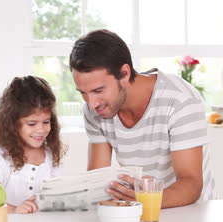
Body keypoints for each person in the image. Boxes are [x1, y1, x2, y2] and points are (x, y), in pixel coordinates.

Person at [69, 29, 215, 208]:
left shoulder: (179, 100)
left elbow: (191, 184)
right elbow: (97, 180)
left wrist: (145, 199)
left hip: (189, 216)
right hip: (137, 213)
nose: (92, 104)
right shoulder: (96, 110)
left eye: (98, 91)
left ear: (124, 73)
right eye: (83, 93)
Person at [0, 76, 65, 214]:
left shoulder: (51, 155)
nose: (41, 129)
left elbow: (58, 192)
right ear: (12, 124)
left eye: (46, 122)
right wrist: (15, 209)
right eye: (32, 124)